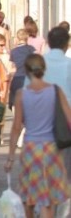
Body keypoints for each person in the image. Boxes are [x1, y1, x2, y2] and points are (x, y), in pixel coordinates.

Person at [5, 54, 71, 218]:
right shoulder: (56, 91)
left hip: (30, 150)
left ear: (27, 71)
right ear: (44, 70)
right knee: (47, 198)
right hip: (52, 149)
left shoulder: (21, 94)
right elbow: (69, 118)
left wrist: (11, 157)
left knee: (29, 197)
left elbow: (16, 127)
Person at [42, 25, 71, 173]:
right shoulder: (68, 64)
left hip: (41, 119)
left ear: (48, 42)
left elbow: (26, 92)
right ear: (67, 44)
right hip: (65, 120)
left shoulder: (38, 63)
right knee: (64, 164)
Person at [9, 29, 35, 110]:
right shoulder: (31, 49)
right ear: (27, 38)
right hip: (29, 77)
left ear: (17, 38)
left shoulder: (13, 51)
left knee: (15, 101)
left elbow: (12, 67)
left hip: (17, 77)